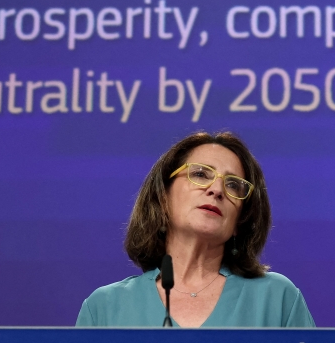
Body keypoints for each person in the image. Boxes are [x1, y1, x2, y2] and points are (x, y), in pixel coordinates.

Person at [76, 131, 315, 328]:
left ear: (240, 221)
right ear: (162, 197)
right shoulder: (104, 309)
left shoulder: (277, 299)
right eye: (200, 174)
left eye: (233, 185)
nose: (217, 189)